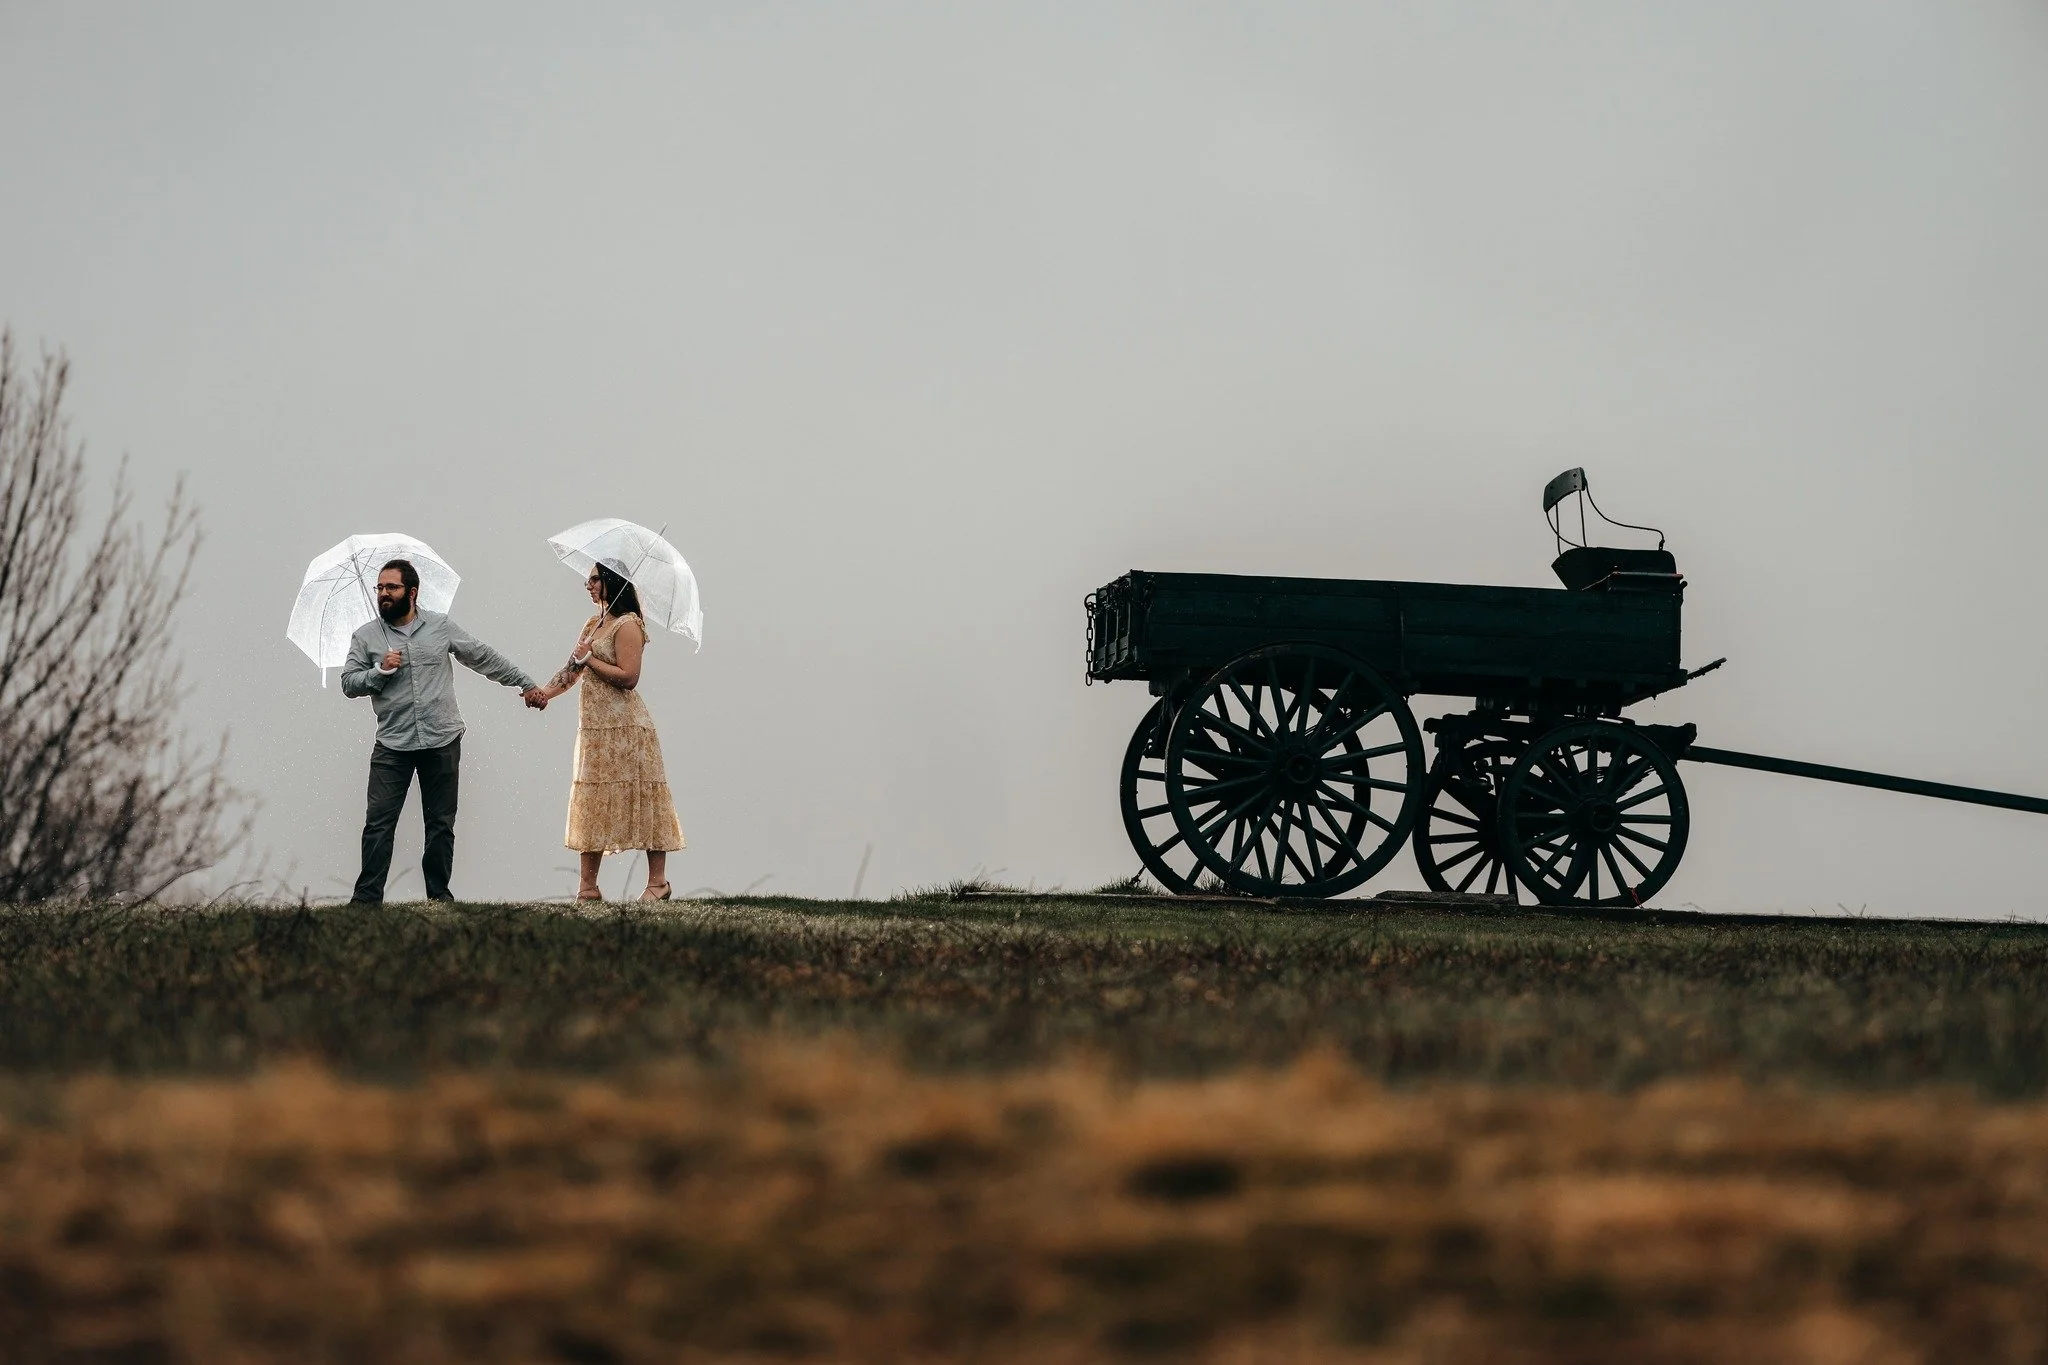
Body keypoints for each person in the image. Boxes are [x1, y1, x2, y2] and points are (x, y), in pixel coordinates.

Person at [339, 558, 546, 903]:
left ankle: (438, 896)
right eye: (380, 588)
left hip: (441, 740)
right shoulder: (366, 636)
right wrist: (379, 670)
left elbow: (482, 657)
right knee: (378, 824)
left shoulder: (439, 627)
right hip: (393, 745)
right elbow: (348, 683)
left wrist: (524, 684)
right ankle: (366, 899)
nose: (384, 594)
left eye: (392, 587)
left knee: (440, 824)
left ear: (412, 592)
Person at [529, 561, 685, 899]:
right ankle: (588, 887)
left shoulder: (629, 625)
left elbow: (629, 678)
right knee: (593, 797)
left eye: (594, 579)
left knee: (644, 797)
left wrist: (590, 661)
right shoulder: (592, 623)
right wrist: (545, 693)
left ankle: (658, 883)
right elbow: (571, 671)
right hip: (596, 729)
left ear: (611, 582)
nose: (588, 585)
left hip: (627, 728)